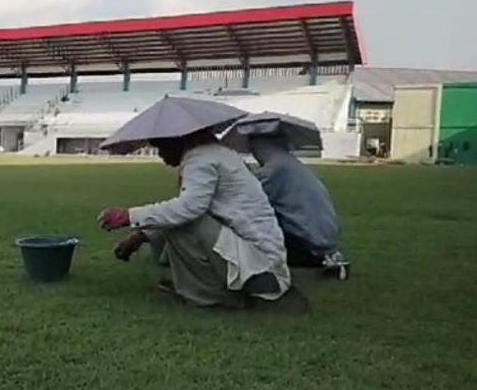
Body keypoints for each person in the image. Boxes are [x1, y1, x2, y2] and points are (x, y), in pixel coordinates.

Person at [99, 129, 297, 309]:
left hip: (260, 268)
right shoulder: (214, 153)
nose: (160, 155)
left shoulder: (201, 158)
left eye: (161, 147)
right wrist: (140, 235)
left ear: (177, 140)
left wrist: (128, 216)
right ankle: (207, 288)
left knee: (183, 221)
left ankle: (215, 297)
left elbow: (187, 210)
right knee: (175, 218)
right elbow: (190, 208)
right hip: (261, 261)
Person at [246, 136, 349, 278]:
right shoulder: (290, 163)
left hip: (307, 243)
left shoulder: (276, 168)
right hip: (323, 238)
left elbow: (252, 198)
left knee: (251, 222)